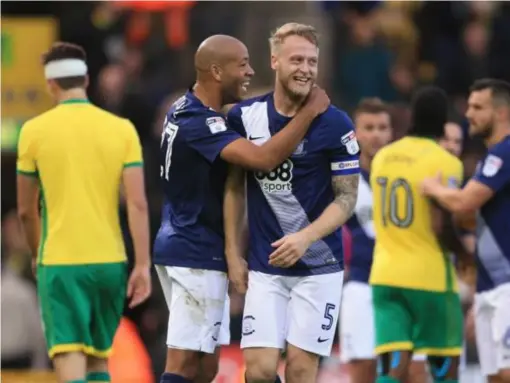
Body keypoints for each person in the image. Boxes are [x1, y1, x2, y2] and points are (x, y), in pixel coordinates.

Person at [152, 34, 330, 383]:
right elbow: (263, 159)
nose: (250, 71)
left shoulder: (185, 107)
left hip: (185, 244)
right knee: (185, 363)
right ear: (217, 71)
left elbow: (232, 114)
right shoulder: (200, 123)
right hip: (194, 250)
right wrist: (308, 112)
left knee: (206, 367)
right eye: (243, 64)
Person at [224, 23, 360, 383]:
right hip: (266, 266)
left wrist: (306, 237)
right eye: (297, 59)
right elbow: (235, 189)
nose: (305, 68)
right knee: (259, 371)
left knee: (301, 370)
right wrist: (231, 253)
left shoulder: (336, 123)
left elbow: (347, 198)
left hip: (320, 267)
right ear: (274, 61)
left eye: (312, 61)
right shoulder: (243, 117)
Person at [16, 42, 151, 383]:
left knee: (69, 355)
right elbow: (137, 203)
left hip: (59, 262)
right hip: (110, 261)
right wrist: (143, 264)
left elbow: (26, 211)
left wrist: (35, 253)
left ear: (50, 84)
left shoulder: (33, 132)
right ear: (87, 80)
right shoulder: (122, 130)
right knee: (98, 360)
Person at [369, 86, 471, 383]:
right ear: (443, 123)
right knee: (445, 367)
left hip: (385, 276)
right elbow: (443, 224)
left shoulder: (383, 157)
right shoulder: (447, 162)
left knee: (391, 368)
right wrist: (466, 256)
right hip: (431, 279)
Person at [422, 79, 510, 383]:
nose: (468, 113)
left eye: (477, 107)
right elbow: (477, 221)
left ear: (500, 112)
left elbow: (464, 203)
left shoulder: (505, 153)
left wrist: (432, 188)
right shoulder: (492, 155)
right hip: (490, 286)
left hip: (506, 286)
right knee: (495, 375)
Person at [339, 98, 429, 383]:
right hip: (362, 284)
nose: (376, 134)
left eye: (382, 127)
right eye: (368, 127)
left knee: (413, 372)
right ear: (355, 133)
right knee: (363, 370)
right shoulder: (342, 176)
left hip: (404, 282)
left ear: (392, 133)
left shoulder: (408, 176)